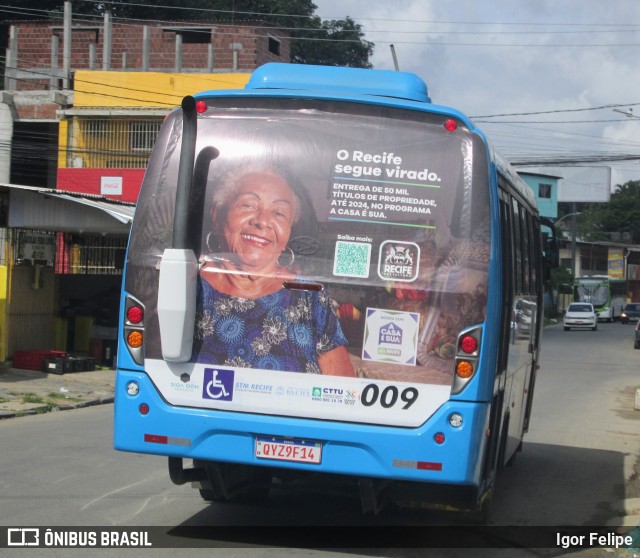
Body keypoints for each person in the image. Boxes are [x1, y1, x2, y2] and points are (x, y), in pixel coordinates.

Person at [192, 165, 355, 376]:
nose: (262, 221)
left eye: (278, 212)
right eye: (248, 205)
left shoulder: (309, 295)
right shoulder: (189, 286)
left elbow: (343, 391)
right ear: (217, 215)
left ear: (288, 231)